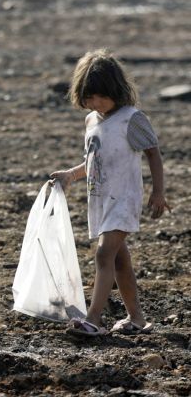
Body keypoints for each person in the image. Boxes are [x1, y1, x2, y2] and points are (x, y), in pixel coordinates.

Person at [50, 49, 171, 337]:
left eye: (99, 96)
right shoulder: (92, 121)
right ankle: (137, 319)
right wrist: (70, 174)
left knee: (104, 255)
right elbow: (93, 161)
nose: (94, 103)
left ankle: (93, 319)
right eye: (88, 98)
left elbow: (153, 154)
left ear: (115, 90)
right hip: (101, 200)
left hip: (124, 199)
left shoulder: (133, 118)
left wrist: (158, 192)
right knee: (119, 261)